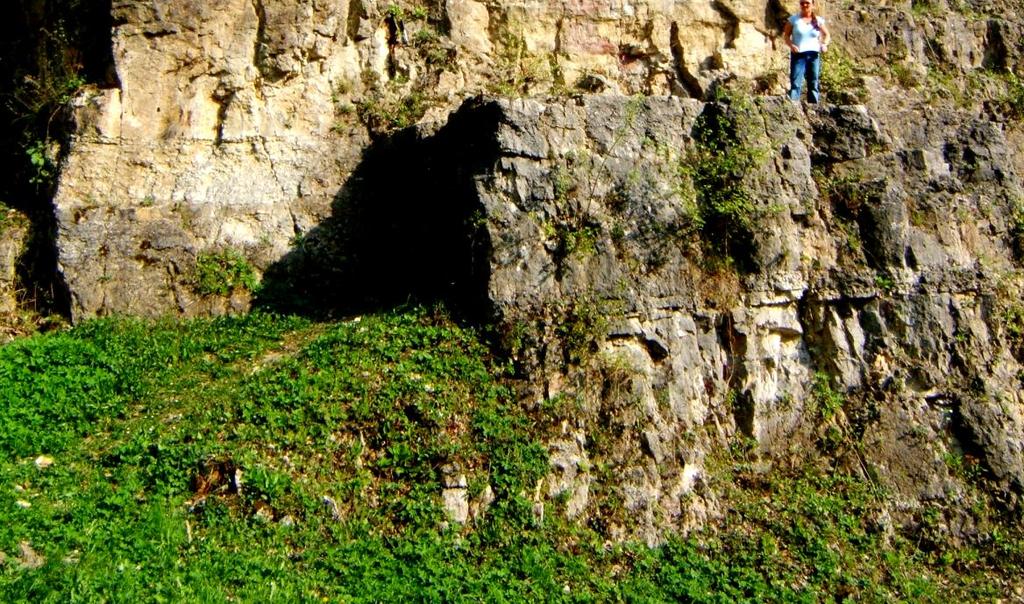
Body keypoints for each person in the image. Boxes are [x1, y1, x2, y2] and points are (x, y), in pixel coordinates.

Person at [782, 0, 831, 103]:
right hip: (798, 54)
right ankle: (793, 106)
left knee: (813, 81)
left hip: (813, 54)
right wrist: (791, 45)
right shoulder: (793, 20)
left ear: (812, 5)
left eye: (807, 3)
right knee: (796, 81)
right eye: (802, 3)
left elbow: (827, 35)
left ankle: (813, 106)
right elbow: (786, 35)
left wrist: (824, 44)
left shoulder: (818, 20)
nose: (804, 5)